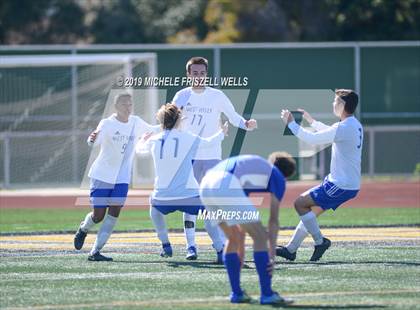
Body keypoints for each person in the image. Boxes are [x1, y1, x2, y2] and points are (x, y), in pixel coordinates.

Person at [171, 56, 257, 262]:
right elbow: (169, 120)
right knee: (189, 201)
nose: (198, 77)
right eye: (195, 73)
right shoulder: (181, 96)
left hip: (212, 157)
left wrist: (246, 124)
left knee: (212, 202)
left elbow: (233, 115)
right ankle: (191, 246)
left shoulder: (217, 95)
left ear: (206, 74)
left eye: (202, 73)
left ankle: (219, 246)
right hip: (188, 157)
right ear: (188, 75)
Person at [277, 89, 363, 262]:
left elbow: (312, 139)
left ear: (343, 105)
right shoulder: (353, 124)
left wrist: (292, 124)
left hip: (340, 185)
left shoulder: (344, 127)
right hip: (344, 183)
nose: (333, 104)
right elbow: (330, 132)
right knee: (310, 215)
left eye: (335, 101)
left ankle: (320, 241)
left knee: (300, 204)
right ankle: (291, 249)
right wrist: (312, 121)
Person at [199, 153, 296, 305]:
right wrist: (272, 253)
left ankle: (237, 294)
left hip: (206, 185)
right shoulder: (276, 175)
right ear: (286, 175)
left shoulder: (254, 168)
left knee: (233, 237)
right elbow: (273, 220)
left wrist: (241, 251)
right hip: (225, 182)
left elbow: (241, 224)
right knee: (260, 236)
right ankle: (267, 294)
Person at [73, 93, 159, 261]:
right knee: (98, 216)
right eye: (124, 104)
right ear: (116, 107)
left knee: (114, 213)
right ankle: (83, 229)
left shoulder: (136, 122)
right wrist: (91, 139)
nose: (128, 107)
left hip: (122, 178)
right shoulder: (107, 124)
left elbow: (153, 129)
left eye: (130, 104)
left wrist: (171, 121)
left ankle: (95, 251)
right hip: (102, 175)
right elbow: (94, 142)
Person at [136, 103, 228, 258]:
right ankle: (220, 250)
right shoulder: (188, 137)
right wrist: (222, 132)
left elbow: (139, 151)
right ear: (178, 120)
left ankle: (166, 245)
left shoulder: (154, 140)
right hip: (189, 195)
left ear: (161, 122)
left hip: (163, 197)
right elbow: (209, 142)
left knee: (154, 209)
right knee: (210, 213)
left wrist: (142, 140)